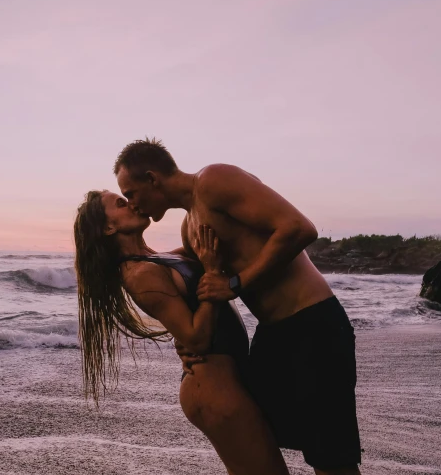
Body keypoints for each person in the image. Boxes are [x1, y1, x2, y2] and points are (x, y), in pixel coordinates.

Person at [114, 138, 362, 475]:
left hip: (312, 325)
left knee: (331, 459)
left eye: (130, 193)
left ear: (152, 178)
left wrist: (235, 284)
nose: (133, 204)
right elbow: (182, 270)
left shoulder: (215, 181)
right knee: (260, 448)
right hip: (272, 337)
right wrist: (183, 335)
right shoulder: (191, 226)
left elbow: (299, 228)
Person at [73, 189, 290, 475]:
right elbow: (196, 338)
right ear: (109, 227)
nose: (133, 205)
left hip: (225, 379)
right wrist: (212, 273)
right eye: (121, 204)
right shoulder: (139, 274)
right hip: (212, 387)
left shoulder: (157, 258)